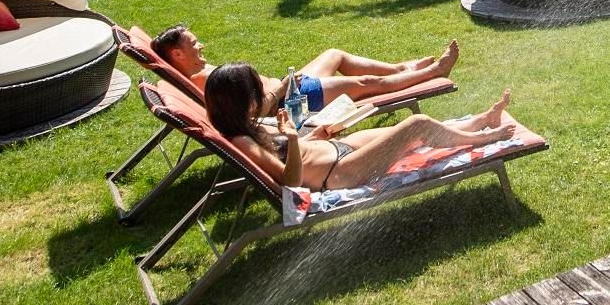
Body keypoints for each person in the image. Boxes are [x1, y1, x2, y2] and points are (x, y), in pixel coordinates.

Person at [202, 65, 515, 190]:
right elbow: (289, 182)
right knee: (416, 124)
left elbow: (287, 153)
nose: (263, 98)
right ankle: (481, 138)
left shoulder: (245, 127)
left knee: (411, 134)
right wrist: (295, 139)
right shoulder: (243, 141)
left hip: (335, 151)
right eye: (257, 93)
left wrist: (315, 135)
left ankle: (479, 122)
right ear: (243, 100)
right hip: (339, 172)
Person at [149, 26, 458, 107]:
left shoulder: (196, 75)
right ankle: (432, 73)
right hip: (291, 102)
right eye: (193, 44)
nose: (200, 45)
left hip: (290, 89)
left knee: (334, 54)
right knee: (363, 85)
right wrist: (283, 87)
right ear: (177, 55)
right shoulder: (203, 80)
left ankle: (400, 69)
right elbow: (254, 113)